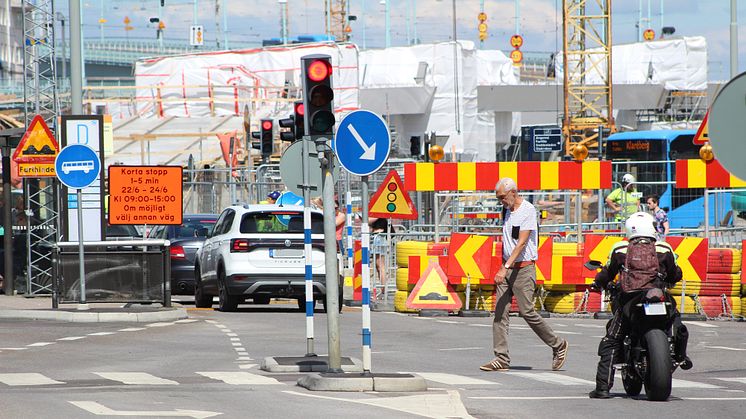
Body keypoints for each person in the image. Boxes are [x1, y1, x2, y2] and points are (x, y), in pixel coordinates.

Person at [588, 212, 691, 399]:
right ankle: (681, 355)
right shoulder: (664, 248)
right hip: (658, 296)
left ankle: (603, 388)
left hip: (630, 301)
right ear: (652, 228)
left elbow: (607, 273)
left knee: (612, 339)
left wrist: (598, 283)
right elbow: (675, 275)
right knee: (676, 321)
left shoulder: (620, 248)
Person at [480, 177, 569, 372]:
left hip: (523, 268)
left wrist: (505, 267)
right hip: (508, 266)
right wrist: (504, 264)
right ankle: (501, 358)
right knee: (500, 313)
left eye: (503, 197)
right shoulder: (506, 210)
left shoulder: (527, 210)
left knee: (527, 311)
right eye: (499, 198)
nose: (501, 201)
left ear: (513, 192)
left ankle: (558, 344)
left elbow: (521, 243)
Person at [369, 217, 389, 298]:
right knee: (378, 266)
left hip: (378, 237)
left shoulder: (378, 213)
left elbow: (367, 221)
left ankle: (384, 290)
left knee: (380, 265)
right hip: (377, 236)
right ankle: (382, 289)